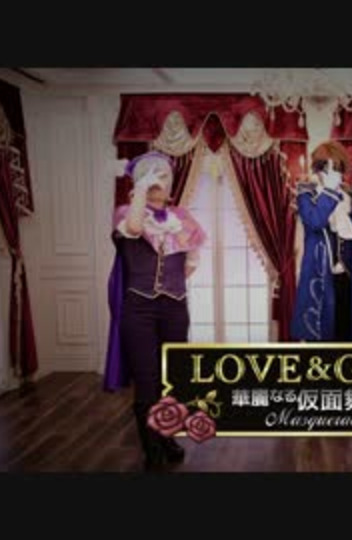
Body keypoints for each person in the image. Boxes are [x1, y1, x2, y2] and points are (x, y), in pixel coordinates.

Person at [102, 151, 207, 470]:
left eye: (164, 175)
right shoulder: (126, 213)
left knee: (171, 379)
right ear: (139, 181)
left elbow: (190, 263)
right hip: (139, 309)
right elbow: (135, 228)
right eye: (152, 174)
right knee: (147, 381)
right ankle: (152, 449)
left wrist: (172, 285)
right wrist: (140, 192)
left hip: (175, 307)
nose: (160, 180)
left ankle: (166, 437)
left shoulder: (182, 218)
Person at [290, 141, 352, 343]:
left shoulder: (348, 194)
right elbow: (315, 221)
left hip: (349, 272)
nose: (334, 173)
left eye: (337, 168)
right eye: (327, 167)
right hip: (320, 272)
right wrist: (329, 191)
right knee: (322, 333)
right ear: (318, 168)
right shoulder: (306, 193)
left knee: (347, 330)